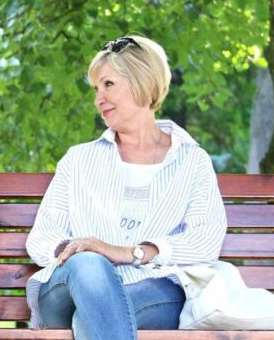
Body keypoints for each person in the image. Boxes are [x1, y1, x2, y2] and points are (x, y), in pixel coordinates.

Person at [24, 35, 227, 339]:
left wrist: (128, 252)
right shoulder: (79, 160)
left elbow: (205, 241)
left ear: (142, 81)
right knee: (90, 265)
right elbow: (42, 237)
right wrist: (79, 250)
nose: (98, 99)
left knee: (91, 319)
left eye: (108, 85)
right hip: (70, 286)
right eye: (96, 89)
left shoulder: (191, 161)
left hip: (154, 289)